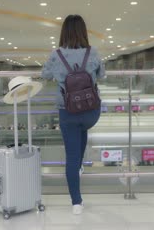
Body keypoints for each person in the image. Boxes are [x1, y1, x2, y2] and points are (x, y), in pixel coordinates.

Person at [41, 14, 105, 215]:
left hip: (68, 111)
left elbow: (44, 75)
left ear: (64, 32)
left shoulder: (56, 55)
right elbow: (102, 74)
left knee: (72, 155)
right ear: (83, 31)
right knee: (82, 128)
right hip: (91, 112)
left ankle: (76, 202)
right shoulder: (92, 52)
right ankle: (78, 167)